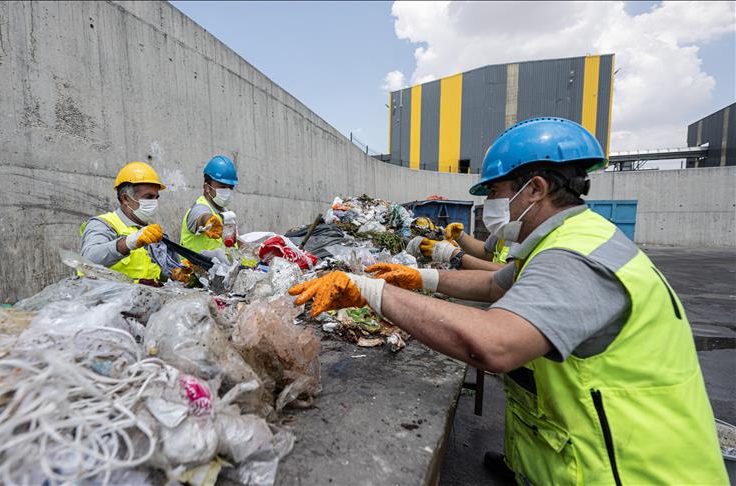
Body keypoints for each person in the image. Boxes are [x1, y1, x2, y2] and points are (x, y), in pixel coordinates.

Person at [289, 118, 727, 485]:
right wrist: (417, 276)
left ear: (534, 189)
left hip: (635, 471)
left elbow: (495, 345)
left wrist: (369, 291)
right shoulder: (567, 238)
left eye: (496, 193)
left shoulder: (574, 256)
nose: (490, 205)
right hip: (590, 452)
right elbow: (497, 285)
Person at [80, 161, 188, 284]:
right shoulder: (103, 224)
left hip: (143, 300)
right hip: (108, 301)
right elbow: (87, 260)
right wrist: (129, 242)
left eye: (156, 198)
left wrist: (175, 273)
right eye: (148, 197)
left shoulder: (152, 233)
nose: (154, 203)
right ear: (126, 198)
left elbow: (160, 276)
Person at [180, 155, 238, 253]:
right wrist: (208, 221)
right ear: (207, 187)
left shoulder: (225, 212)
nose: (227, 191)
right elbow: (202, 217)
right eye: (222, 187)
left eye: (230, 187)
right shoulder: (199, 208)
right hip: (195, 268)